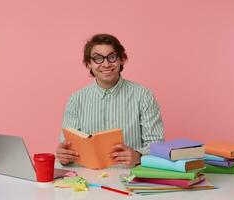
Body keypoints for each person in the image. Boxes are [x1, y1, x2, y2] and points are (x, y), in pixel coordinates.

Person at [56, 33, 164, 167]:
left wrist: (138, 156)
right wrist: (63, 156)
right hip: (88, 177)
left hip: (131, 176)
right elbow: (66, 146)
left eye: (112, 57)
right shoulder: (76, 99)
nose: (106, 64)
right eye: (98, 59)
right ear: (89, 64)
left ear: (122, 59)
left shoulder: (143, 96)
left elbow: (157, 145)